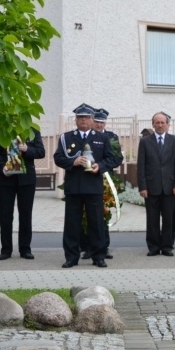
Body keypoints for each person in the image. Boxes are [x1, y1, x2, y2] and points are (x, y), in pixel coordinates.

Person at [53, 103, 118, 268]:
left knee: (96, 222)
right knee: (72, 224)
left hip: (93, 185)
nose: (83, 120)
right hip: (74, 186)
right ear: (76, 120)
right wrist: (72, 161)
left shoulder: (101, 138)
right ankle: (71, 257)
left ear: (92, 119)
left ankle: (98, 256)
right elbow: (58, 158)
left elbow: (112, 159)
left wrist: (100, 167)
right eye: (80, 117)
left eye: (87, 117)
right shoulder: (66, 137)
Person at [137, 112, 175, 257]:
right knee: (152, 219)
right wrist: (143, 187)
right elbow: (141, 166)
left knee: (169, 218)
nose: (160, 125)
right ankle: (153, 247)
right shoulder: (145, 141)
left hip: (170, 187)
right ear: (153, 124)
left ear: (168, 125)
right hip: (151, 187)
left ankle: (167, 246)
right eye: (157, 123)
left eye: (162, 122)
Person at [0, 128, 45, 260]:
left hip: (26, 179)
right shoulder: (1, 131)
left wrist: (27, 149)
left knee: (26, 214)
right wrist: (1, 167)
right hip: (6, 179)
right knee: (5, 214)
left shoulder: (33, 131)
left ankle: (25, 249)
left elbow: (41, 152)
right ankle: (6, 249)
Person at [80, 108, 123, 260]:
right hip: (85, 179)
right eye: (97, 121)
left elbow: (117, 158)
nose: (99, 125)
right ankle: (87, 247)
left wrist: (102, 166)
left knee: (103, 213)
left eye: (102, 122)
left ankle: (103, 246)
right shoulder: (86, 137)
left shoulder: (111, 137)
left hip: (105, 179)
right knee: (85, 214)